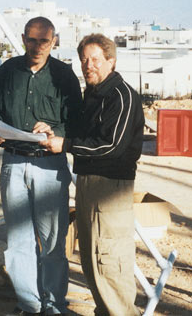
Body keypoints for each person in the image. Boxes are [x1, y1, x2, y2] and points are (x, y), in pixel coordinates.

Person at [0, 17, 82, 315]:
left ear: (54, 41)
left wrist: (54, 130)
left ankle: (53, 306)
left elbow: (75, 121)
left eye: (44, 41)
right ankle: (29, 305)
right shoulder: (8, 71)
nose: (37, 47)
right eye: (32, 40)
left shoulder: (64, 76)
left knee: (52, 241)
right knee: (19, 241)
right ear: (23, 38)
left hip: (50, 166)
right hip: (13, 162)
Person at [39, 33, 144, 316]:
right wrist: (56, 133)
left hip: (110, 189)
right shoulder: (94, 95)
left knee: (109, 261)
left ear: (111, 60)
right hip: (87, 184)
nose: (89, 66)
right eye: (84, 60)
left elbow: (112, 146)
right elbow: (81, 133)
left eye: (95, 59)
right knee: (91, 260)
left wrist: (67, 145)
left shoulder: (121, 97)